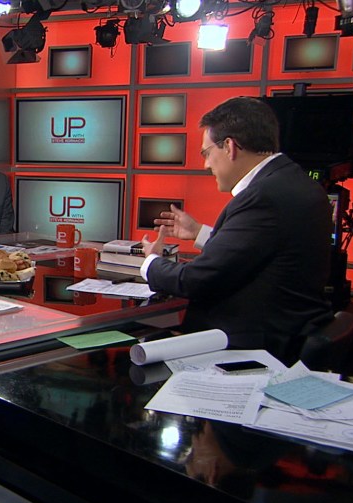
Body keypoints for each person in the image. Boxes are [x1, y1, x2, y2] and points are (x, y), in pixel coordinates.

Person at [141, 97, 333, 365]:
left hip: (254, 347)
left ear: (229, 146)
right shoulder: (296, 182)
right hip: (290, 334)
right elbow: (259, 252)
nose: (206, 165)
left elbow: (196, 281)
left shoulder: (263, 197)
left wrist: (150, 262)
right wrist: (200, 233)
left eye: (207, 153)